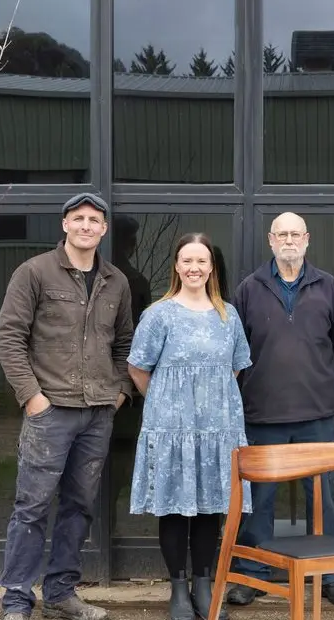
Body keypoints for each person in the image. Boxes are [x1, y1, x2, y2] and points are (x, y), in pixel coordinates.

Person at [0, 192, 135, 620]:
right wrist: (32, 397)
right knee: (32, 506)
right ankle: (16, 600)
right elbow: (8, 337)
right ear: (65, 224)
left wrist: (120, 392)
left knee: (80, 506)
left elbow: (125, 343)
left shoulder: (116, 281)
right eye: (79, 218)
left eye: (94, 220)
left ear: (104, 229)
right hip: (50, 410)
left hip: (97, 412)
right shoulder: (34, 272)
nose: (86, 225)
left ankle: (60, 594)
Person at [224, 212, 334, 608]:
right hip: (262, 413)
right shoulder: (249, 289)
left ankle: (330, 575)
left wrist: (315, 376)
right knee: (258, 500)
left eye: (295, 234)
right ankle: (253, 574)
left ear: (307, 239)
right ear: (270, 240)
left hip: (316, 413)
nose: (288, 240)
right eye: (281, 234)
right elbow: (237, 349)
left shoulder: (329, 287)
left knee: (323, 499)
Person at [127, 233, 252, 620]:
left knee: (210, 508)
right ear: (177, 267)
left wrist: (207, 402)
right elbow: (137, 368)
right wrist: (168, 404)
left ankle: (203, 585)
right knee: (174, 509)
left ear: (212, 267)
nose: (194, 267)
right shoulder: (158, 315)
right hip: (172, 430)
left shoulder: (228, 316)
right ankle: (178, 589)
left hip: (217, 430)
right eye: (187, 260)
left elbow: (233, 369)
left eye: (201, 261)